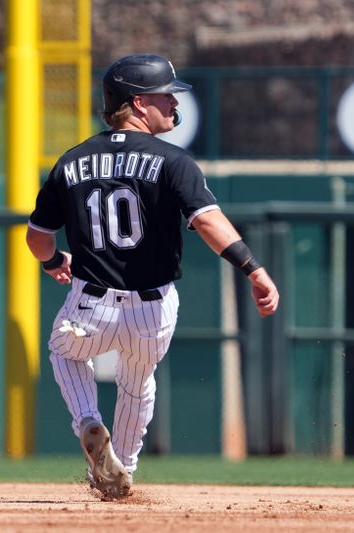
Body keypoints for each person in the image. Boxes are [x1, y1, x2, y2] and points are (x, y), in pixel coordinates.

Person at [26, 53, 279, 499]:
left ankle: (88, 423)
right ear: (139, 104)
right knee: (137, 383)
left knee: (65, 354)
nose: (174, 106)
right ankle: (119, 472)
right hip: (153, 309)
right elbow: (206, 222)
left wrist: (51, 263)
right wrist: (252, 268)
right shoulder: (173, 161)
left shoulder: (71, 162)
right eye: (166, 97)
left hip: (90, 304)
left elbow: (37, 237)